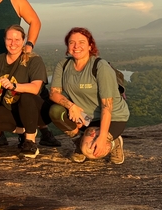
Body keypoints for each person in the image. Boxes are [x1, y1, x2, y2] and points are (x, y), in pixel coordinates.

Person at [49, 27, 129, 164]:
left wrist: (103, 137)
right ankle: (79, 141)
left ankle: (115, 142)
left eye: (81, 42)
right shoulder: (63, 65)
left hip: (113, 117)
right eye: (72, 42)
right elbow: (54, 94)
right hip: (84, 117)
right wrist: (71, 106)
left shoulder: (100, 66)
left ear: (90, 45)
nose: (76, 46)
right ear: (67, 46)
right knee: (55, 111)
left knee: (91, 152)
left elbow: (107, 106)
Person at [0, 24, 55, 159]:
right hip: (12, 111)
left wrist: (14, 86)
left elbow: (35, 88)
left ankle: (30, 142)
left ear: (23, 41)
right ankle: (21, 130)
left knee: (26, 97)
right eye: (9, 39)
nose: (13, 43)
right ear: (4, 40)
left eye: (17, 40)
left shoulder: (34, 60)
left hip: (38, 112)